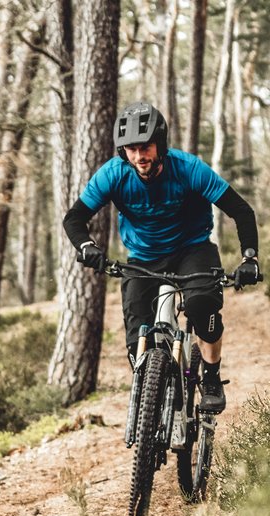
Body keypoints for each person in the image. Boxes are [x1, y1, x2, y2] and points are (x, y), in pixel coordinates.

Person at [63, 100, 261, 412]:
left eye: (146, 147)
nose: (139, 156)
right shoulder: (113, 174)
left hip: (192, 249)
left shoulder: (188, 169)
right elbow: (74, 219)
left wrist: (250, 258)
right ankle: (148, 391)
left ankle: (210, 377)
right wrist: (87, 247)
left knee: (201, 306)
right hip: (143, 256)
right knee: (135, 328)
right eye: (131, 149)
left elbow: (240, 211)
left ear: (160, 144)